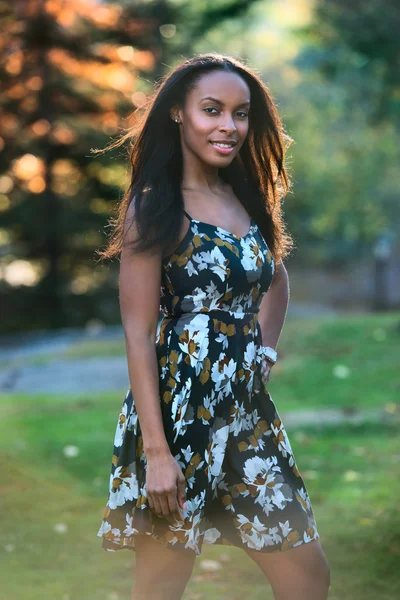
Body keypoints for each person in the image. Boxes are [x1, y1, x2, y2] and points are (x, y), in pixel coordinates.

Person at [95, 53, 331, 600]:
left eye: (241, 114)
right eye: (212, 110)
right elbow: (136, 333)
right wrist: (156, 453)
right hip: (178, 418)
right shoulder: (155, 209)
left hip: (247, 418)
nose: (229, 126)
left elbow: (275, 279)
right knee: (160, 585)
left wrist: (263, 356)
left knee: (307, 573)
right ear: (178, 113)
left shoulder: (244, 199)